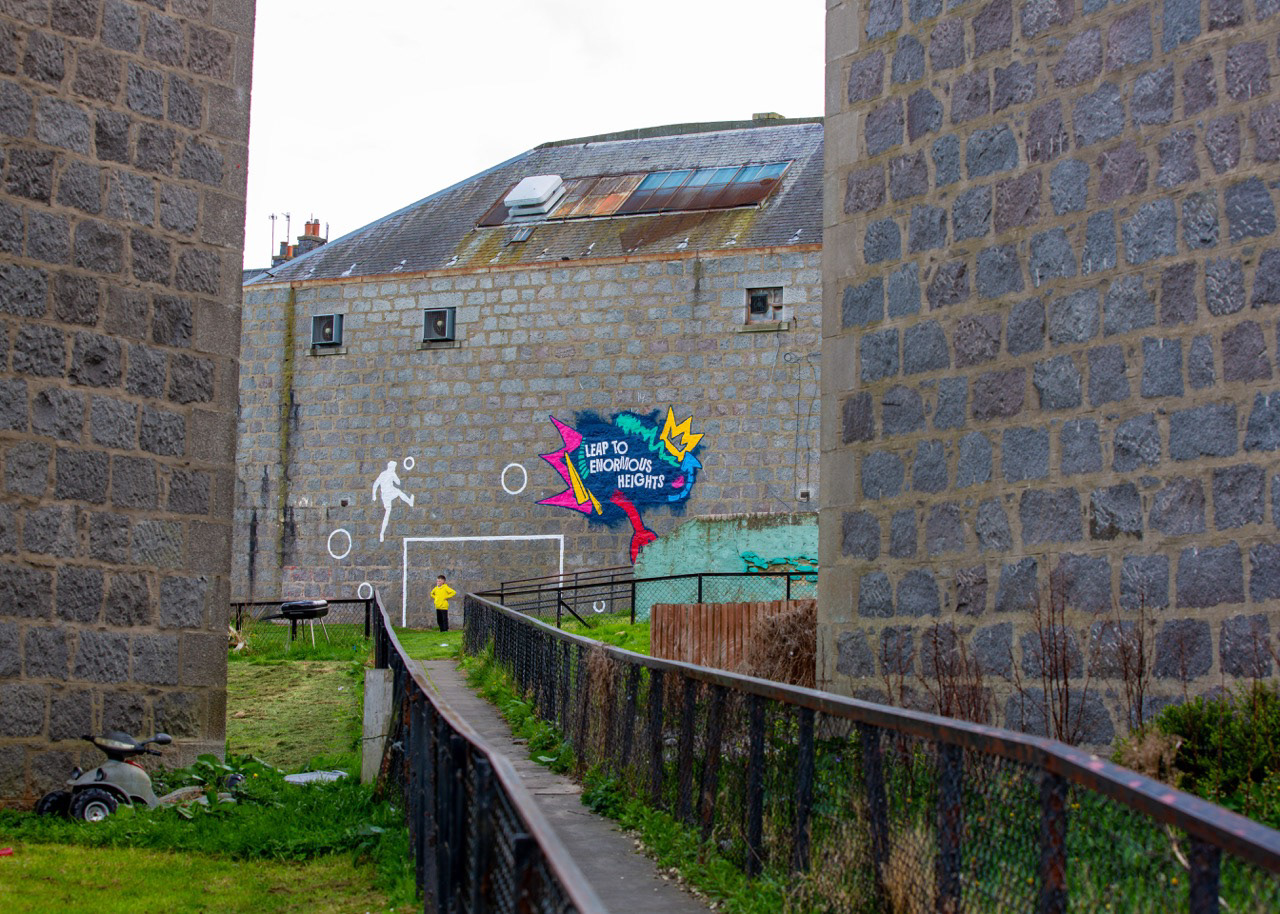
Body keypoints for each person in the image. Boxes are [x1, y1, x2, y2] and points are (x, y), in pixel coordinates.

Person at [372, 460, 414, 542]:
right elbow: (398, 482)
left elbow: (375, 484)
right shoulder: (391, 473)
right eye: (394, 468)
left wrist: (374, 495)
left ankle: (382, 534)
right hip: (389, 494)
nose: (395, 469)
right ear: (391, 467)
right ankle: (410, 502)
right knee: (398, 492)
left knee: (387, 513)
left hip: (385, 496)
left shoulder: (382, 474)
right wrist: (395, 476)